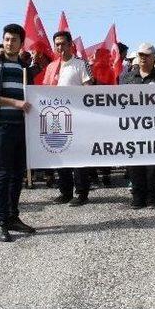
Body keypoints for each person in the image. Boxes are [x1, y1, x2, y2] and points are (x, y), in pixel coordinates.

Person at [0, 23, 36, 242]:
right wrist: (14, 102)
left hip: (23, 127)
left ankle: (13, 216)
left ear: (21, 42)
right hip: (3, 125)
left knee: (17, 173)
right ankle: (1, 221)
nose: (9, 42)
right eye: (6, 39)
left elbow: (32, 97)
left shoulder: (24, 67)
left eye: (14, 39)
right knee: (3, 174)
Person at [46, 31, 93, 207]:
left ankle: (81, 193)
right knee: (60, 154)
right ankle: (65, 191)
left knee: (79, 155)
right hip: (57, 118)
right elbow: (44, 91)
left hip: (78, 117)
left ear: (70, 44)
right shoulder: (51, 67)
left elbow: (89, 89)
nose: (60, 47)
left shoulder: (81, 65)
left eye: (63, 44)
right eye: (57, 44)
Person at [120, 42, 155, 209]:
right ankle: (137, 196)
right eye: (140, 54)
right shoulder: (126, 79)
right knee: (134, 164)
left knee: (152, 166)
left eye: (147, 55)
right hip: (132, 130)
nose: (143, 58)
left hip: (154, 130)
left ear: (154, 58)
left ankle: (151, 197)